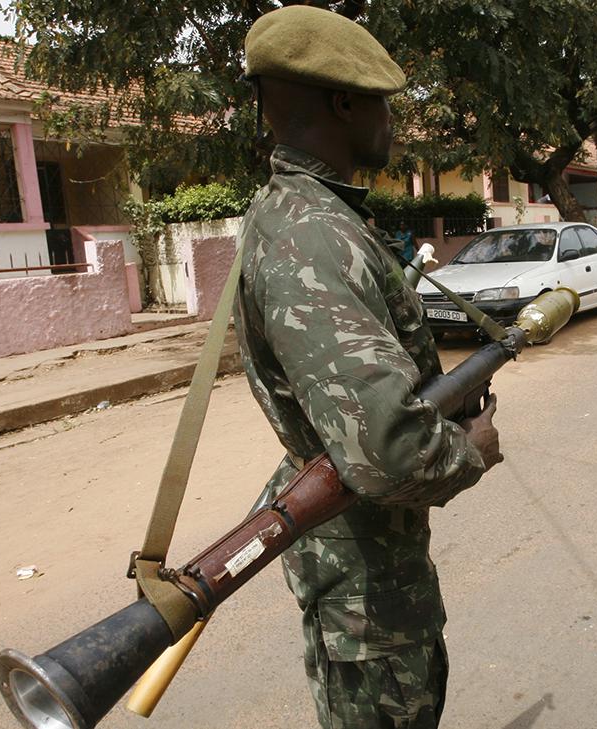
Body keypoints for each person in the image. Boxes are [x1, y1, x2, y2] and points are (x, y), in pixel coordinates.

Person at [235, 7, 503, 728]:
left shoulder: (315, 216)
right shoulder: (312, 237)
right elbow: (386, 451)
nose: (392, 121)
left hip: (374, 562)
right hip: (362, 583)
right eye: (383, 102)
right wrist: (466, 451)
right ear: (343, 103)